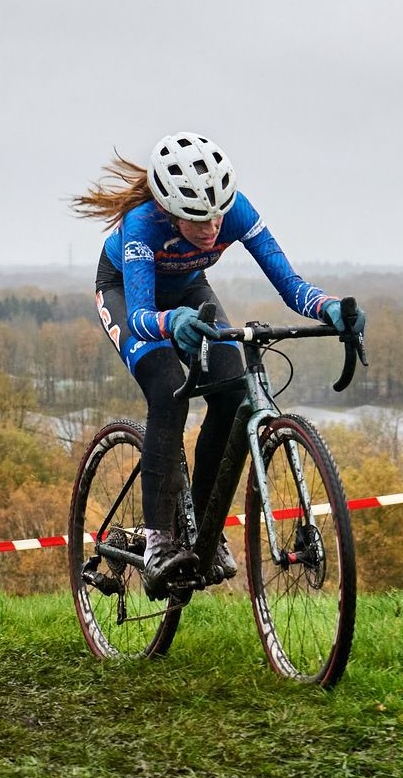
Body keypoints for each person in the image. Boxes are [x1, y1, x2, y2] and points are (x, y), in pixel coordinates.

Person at [71, 131, 366, 599]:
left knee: (232, 394)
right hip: (127, 294)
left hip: (189, 289)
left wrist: (327, 307)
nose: (211, 227)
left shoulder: (236, 211)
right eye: (197, 219)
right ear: (169, 210)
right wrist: (171, 323)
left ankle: (204, 529)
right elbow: (143, 316)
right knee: (168, 391)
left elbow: (289, 284)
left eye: (217, 214)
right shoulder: (142, 223)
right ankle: (157, 542)